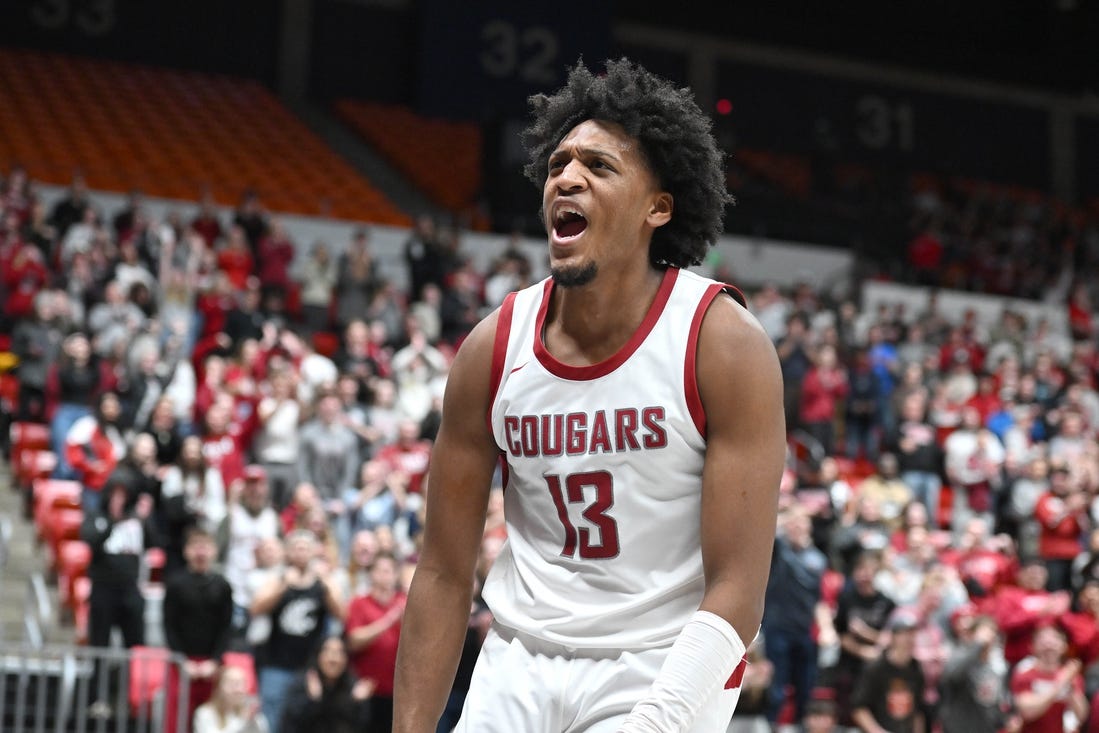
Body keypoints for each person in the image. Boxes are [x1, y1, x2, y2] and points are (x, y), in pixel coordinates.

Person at [393, 58, 786, 732]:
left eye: (599, 167)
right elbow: (441, 572)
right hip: (516, 657)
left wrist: (658, 719)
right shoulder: (493, 348)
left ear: (658, 206)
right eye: (558, 164)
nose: (566, 177)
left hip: (659, 660)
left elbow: (736, 593)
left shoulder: (721, 342)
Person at [346, 552, 407, 733]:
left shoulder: (405, 602)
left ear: (396, 575)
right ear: (371, 574)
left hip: (398, 693)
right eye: (380, 571)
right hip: (365, 690)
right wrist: (389, 620)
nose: (384, 576)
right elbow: (354, 640)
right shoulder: (359, 603)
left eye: (389, 571)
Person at [279, 635, 374, 733]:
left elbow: (359, 726)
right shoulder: (303, 683)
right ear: (318, 656)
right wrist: (312, 701)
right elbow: (290, 724)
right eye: (327, 651)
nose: (333, 658)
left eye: (339, 652)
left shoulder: (353, 688)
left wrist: (355, 703)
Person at [192, 664, 270, 733]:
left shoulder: (252, 713)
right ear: (219, 688)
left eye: (241, 684)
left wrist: (253, 720)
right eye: (232, 683)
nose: (238, 690)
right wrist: (243, 721)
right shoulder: (204, 713)